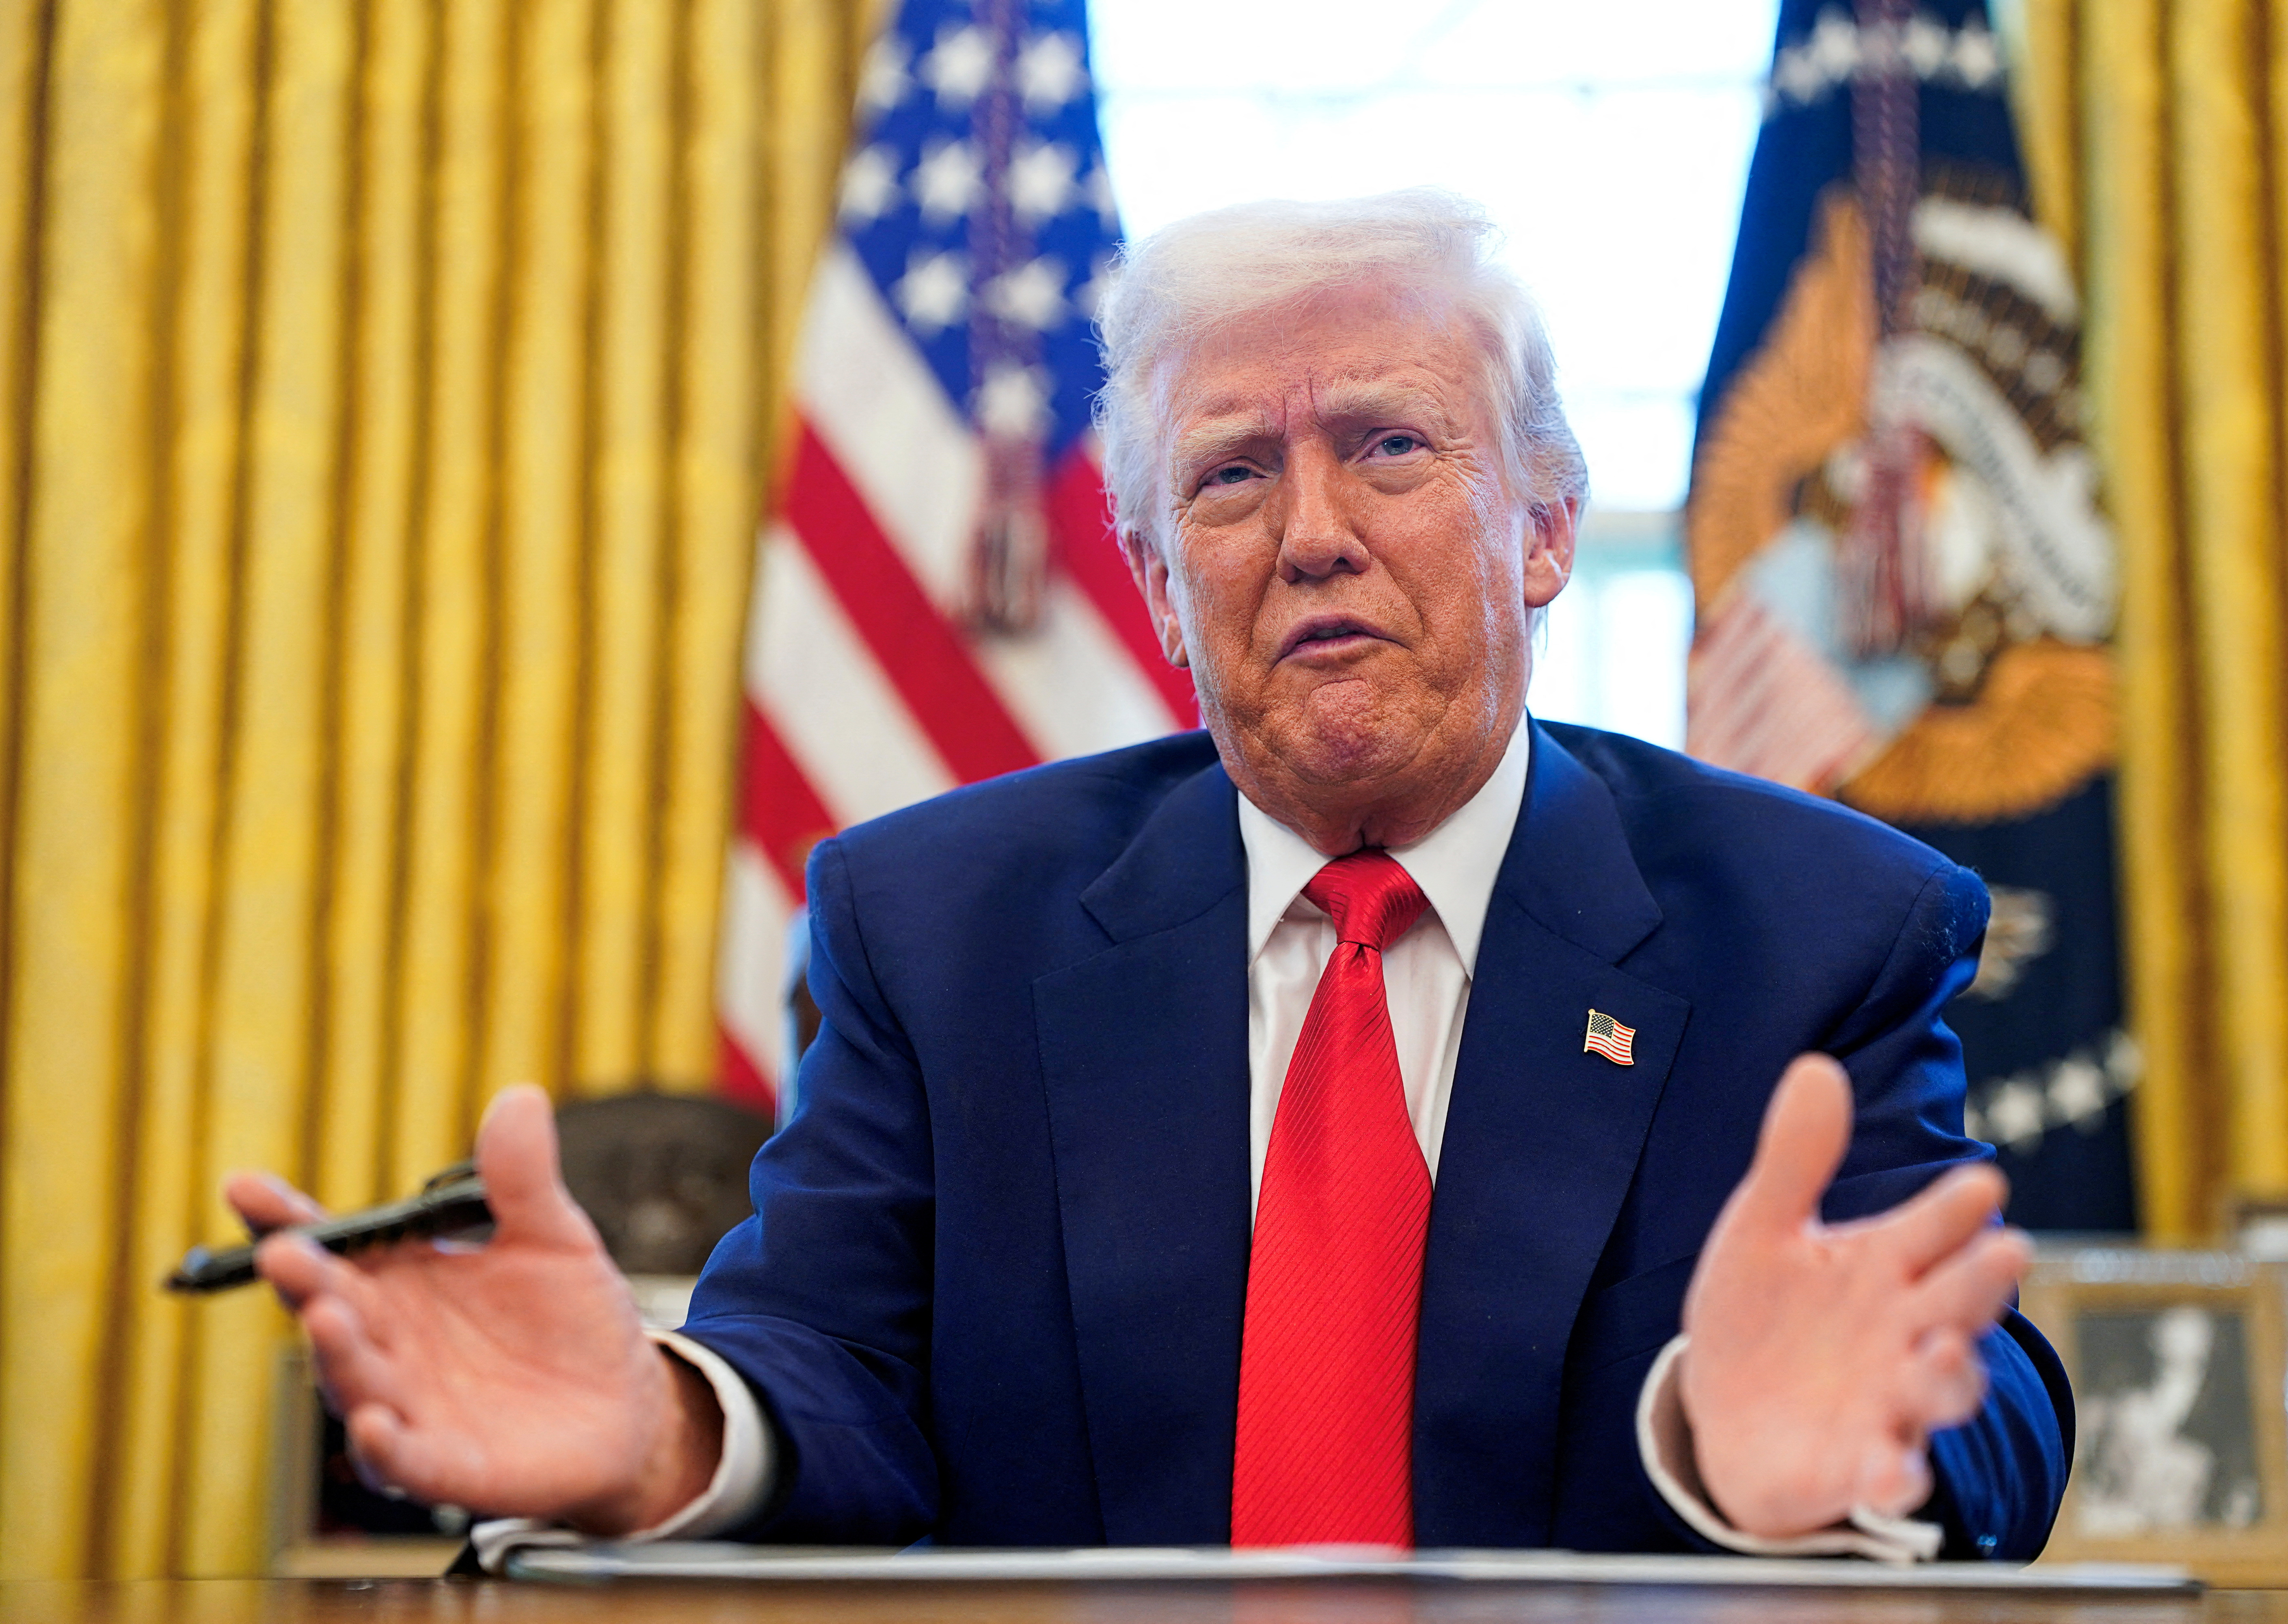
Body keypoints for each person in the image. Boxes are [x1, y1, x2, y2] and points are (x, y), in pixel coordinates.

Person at [229, 190, 2069, 1559]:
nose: (1315, 532)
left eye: (1392, 448)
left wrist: (1791, 1453)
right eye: (1229, 479)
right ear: (1158, 585)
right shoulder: (937, 927)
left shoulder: (1818, 926)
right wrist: (659, 1428)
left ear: (1547, 530)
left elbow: (1972, 1382)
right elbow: (832, 1358)